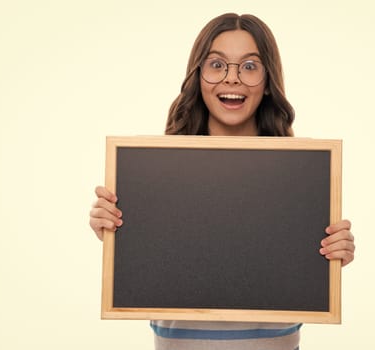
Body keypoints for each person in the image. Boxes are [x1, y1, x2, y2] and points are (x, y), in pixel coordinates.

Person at [89, 12, 355, 350]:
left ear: (268, 78)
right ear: (198, 75)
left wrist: (331, 254)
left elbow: (297, 270)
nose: (233, 79)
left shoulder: (301, 177)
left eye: (249, 66)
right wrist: (117, 234)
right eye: (217, 64)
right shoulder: (154, 172)